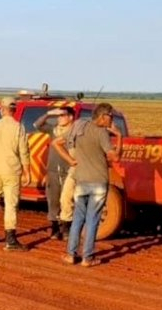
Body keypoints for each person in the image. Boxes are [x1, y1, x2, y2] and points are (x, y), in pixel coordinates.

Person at [54, 103, 122, 267]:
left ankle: (71, 254)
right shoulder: (102, 133)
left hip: (81, 181)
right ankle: (88, 257)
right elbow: (115, 158)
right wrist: (119, 136)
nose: (111, 120)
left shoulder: (79, 127)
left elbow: (56, 143)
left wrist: (70, 160)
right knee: (92, 220)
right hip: (98, 182)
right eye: (110, 117)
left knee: (78, 218)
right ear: (102, 116)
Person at [0, 97, 31, 251]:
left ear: (2, 109)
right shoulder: (18, 127)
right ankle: (10, 240)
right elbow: (24, 151)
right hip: (11, 170)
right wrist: (27, 172)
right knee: (11, 204)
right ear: (14, 110)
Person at [33, 106, 75, 240]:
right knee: (53, 199)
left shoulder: (75, 132)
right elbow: (37, 124)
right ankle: (55, 228)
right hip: (52, 170)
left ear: (71, 117)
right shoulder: (53, 129)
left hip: (68, 170)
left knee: (67, 200)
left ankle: (66, 228)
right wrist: (49, 113)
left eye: (63, 115)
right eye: (58, 115)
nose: (59, 118)